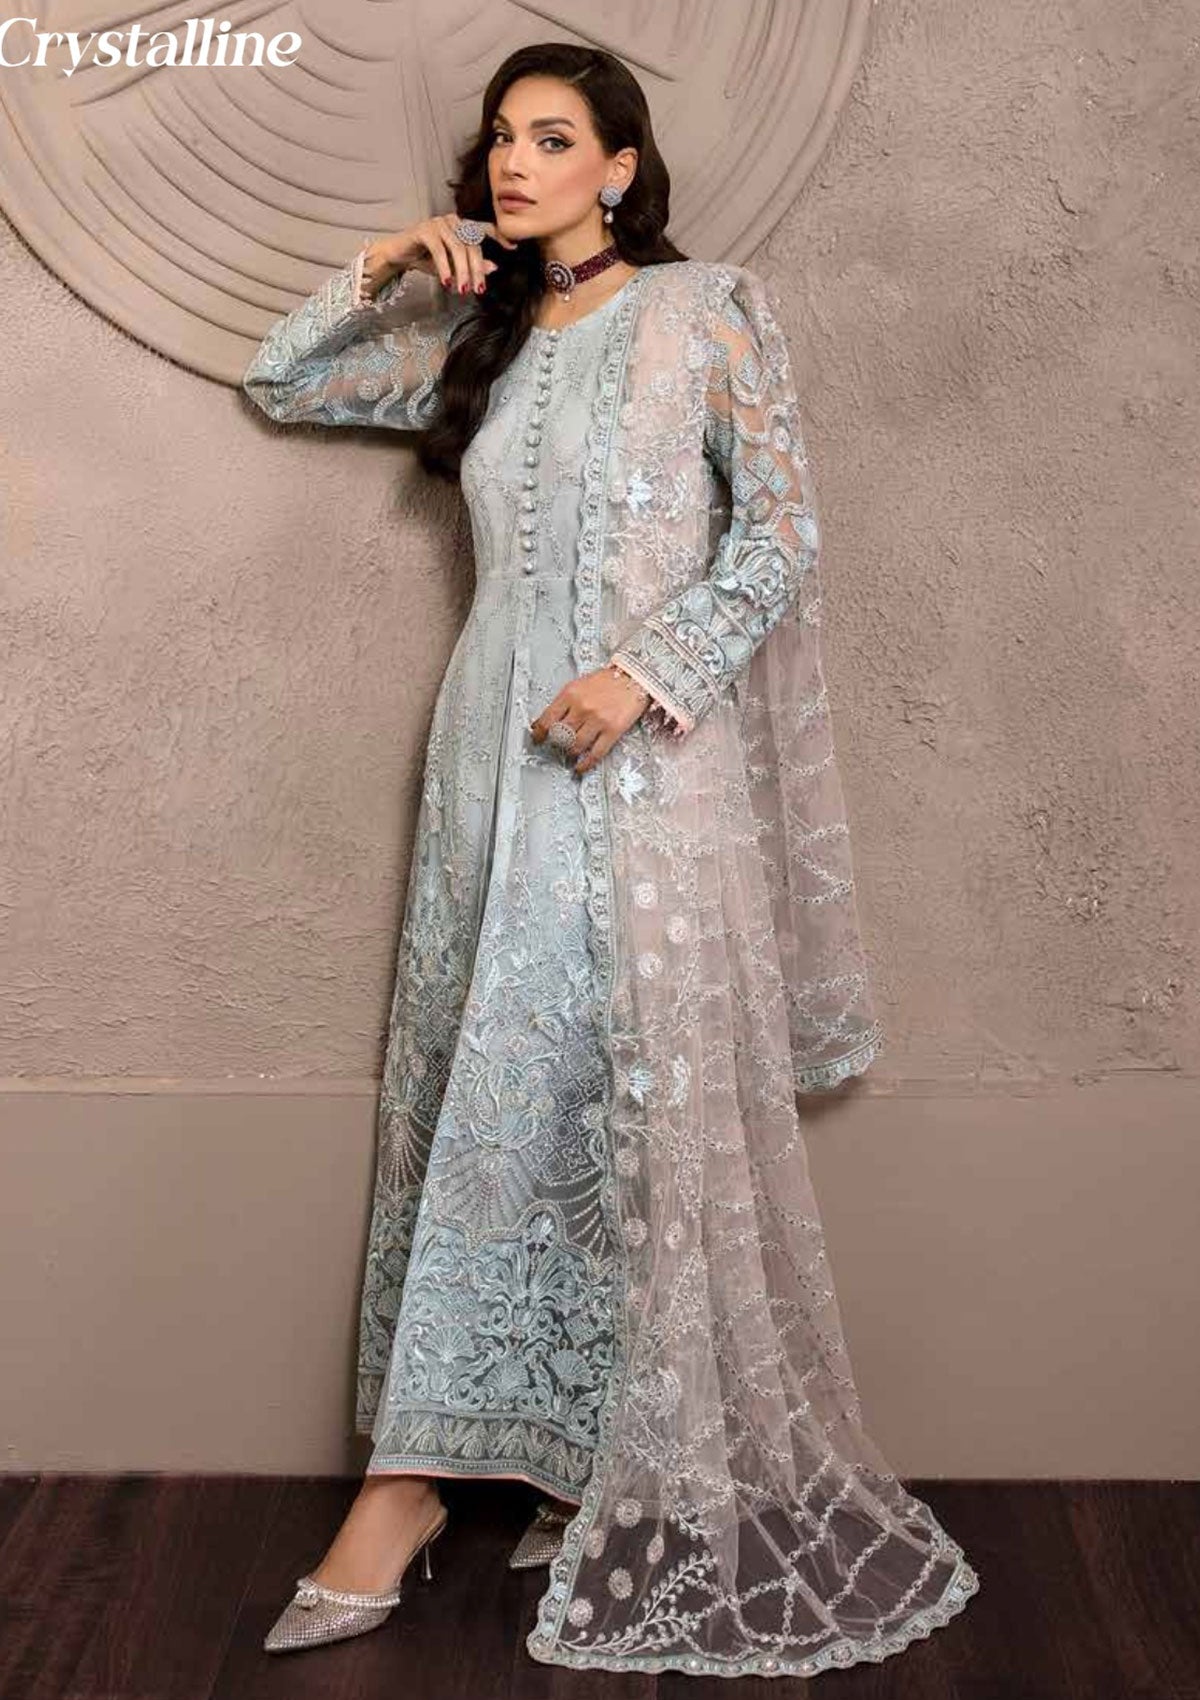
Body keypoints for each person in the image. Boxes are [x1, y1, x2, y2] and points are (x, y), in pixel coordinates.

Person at [241, 39, 980, 1682]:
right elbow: (285, 381)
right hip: (482, 765)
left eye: (554, 137)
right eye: (501, 139)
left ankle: (433, 1486)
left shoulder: (707, 312)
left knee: (601, 1097)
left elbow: (780, 535)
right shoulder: (484, 337)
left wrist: (645, 674)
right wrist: (380, 266)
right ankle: (490, 1470)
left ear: (620, 169)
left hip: (642, 770)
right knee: (486, 1091)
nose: (516, 163)